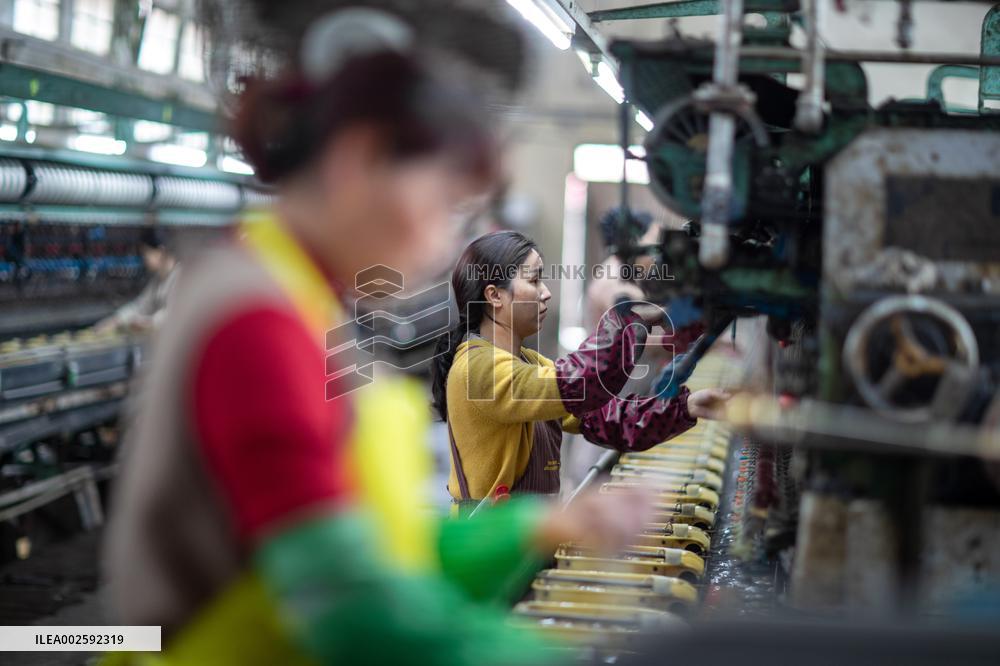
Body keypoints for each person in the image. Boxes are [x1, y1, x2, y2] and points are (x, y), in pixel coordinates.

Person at [103, 4, 649, 665]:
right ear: (360, 158)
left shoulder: (304, 301)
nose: (446, 241)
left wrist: (534, 528)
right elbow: (354, 610)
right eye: (445, 202)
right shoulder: (256, 323)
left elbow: (381, 551)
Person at [431, 230, 730, 511]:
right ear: (495, 296)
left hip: (530, 534)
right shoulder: (476, 368)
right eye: (534, 281)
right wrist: (630, 318)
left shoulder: (530, 363)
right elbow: (581, 383)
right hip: (493, 542)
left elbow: (606, 418)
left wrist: (685, 407)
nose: (546, 293)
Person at [94, 226, 178, 335]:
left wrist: (148, 323)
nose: (144, 258)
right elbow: (141, 305)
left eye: (146, 253)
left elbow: (176, 314)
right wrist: (116, 320)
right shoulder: (158, 280)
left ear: (161, 252)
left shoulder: (181, 277)